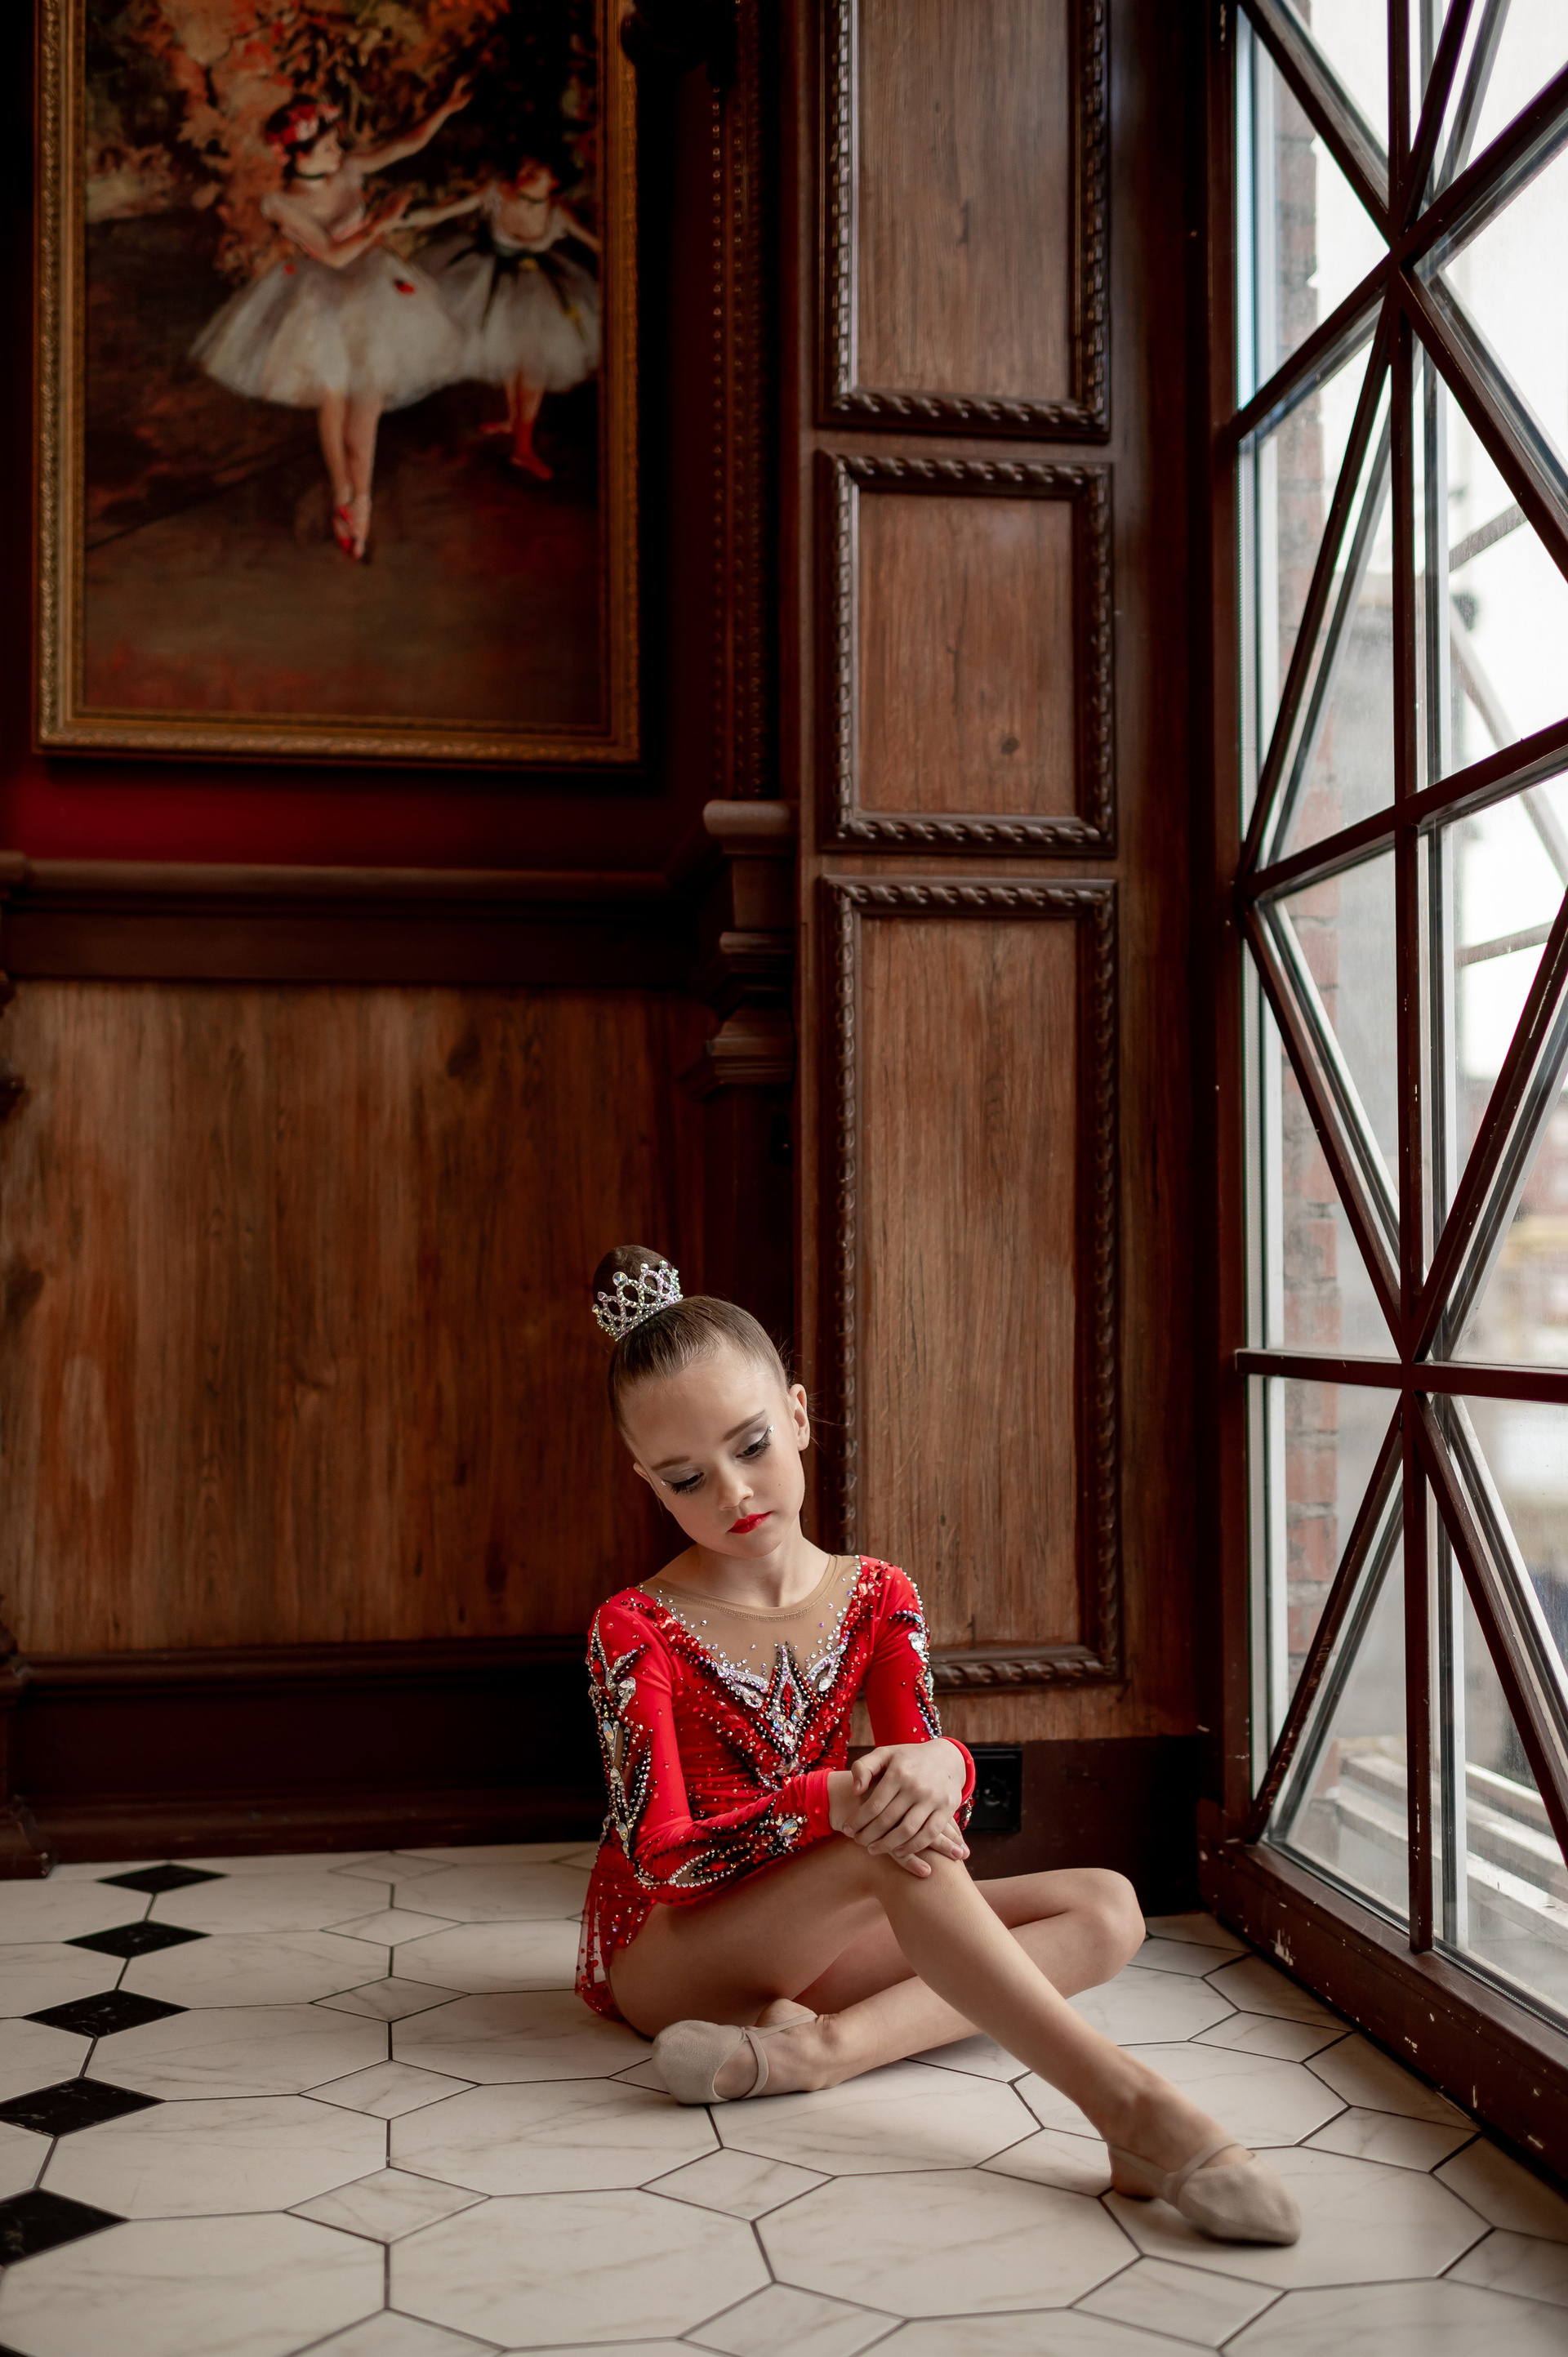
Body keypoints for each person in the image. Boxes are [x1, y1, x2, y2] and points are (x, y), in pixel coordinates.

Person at [577, 1245, 1301, 2247]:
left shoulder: (880, 1594)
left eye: (752, 1445)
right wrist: (830, 1799)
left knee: (1107, 1907)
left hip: (820, 1921)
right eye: (687, 1478)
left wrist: (943, 1764)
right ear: (648, 1483)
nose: (734, 1493)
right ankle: (1133, 2110)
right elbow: (664, 1860)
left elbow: (936, 1815)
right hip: (675, 1951)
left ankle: (817, 2053)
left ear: (798, 1414)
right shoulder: (634, 1626)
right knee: (882, 1843)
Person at [190, 86, 471, 561]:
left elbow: (406, 144)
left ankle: (361, 503)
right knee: (333, 396)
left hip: (371, 288)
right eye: (326, 147)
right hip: (320, 295)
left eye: (335, 144)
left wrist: (445, 107)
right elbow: (333, 254)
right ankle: (342, 489)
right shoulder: (279, 203)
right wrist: (382, 220)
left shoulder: (349, 168)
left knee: (370, 399)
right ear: (299, 155)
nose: (338, 152)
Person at [417, 158, 600, 478]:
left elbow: (599, 245)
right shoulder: (496, 193)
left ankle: (523, 450)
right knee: (508, 349)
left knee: (533, 362)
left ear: (553, 182)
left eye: (534, 171)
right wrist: (400, 221)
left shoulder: (558, 213)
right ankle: (514, 422)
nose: (523, 173)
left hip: (541, 293)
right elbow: (442, 213)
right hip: (493, 284)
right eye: (524, 167)